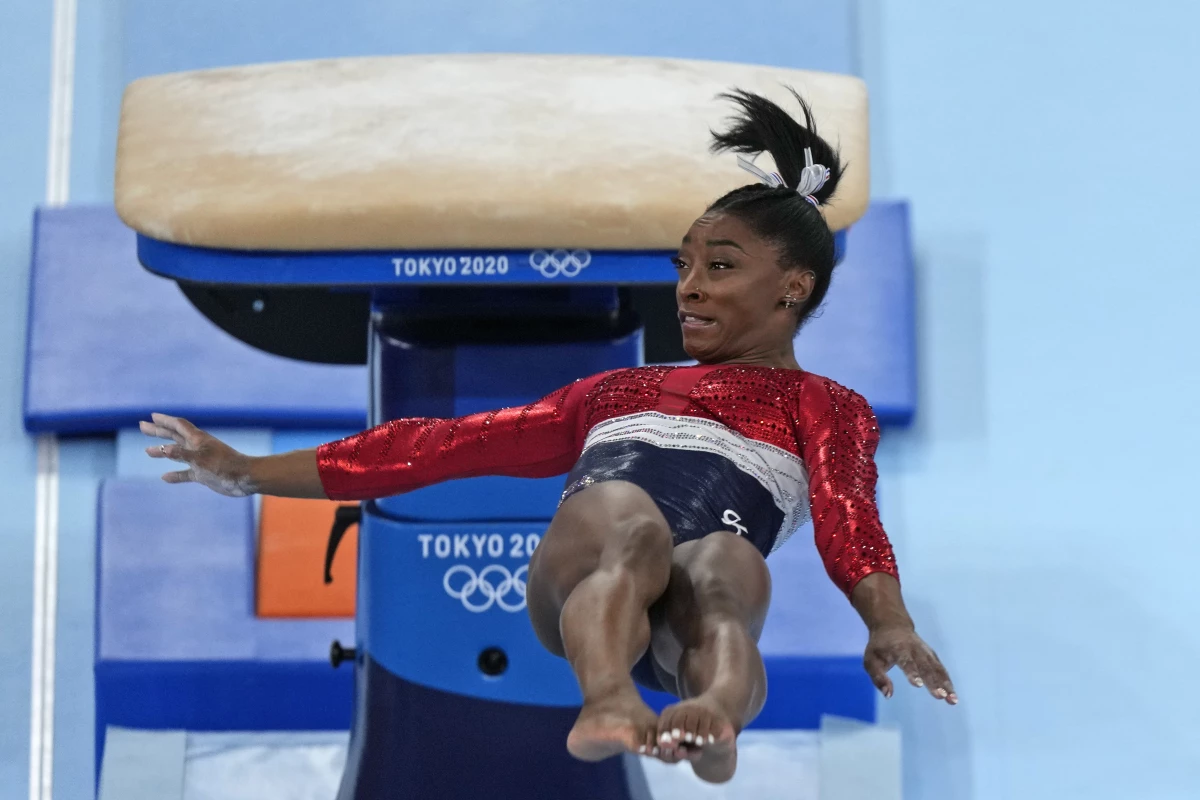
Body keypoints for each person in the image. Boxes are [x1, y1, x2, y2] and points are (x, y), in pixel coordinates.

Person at [140, 89, 955, 785]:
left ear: (793, 289)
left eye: (721, 267)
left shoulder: (827, 404)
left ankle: (711, 716)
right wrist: (245, 472)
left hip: (678, 617)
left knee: (725, 570)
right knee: (633, 527)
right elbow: (436, 447)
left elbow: (851, 516)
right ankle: (607, 701)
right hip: (581, 588)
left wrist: (887, 620)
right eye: (684, 265)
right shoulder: (616, 391)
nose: (688, 288)